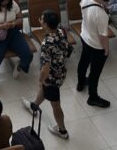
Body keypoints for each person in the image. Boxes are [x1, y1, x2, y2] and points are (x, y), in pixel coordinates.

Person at [23, 9, 71, 139]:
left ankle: (62, 130)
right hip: (61, 72)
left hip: (51, 79)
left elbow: (45, 68)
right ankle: (34, 106)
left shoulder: (46, 44)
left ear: (45, 24)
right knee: (45, 91)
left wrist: (40, 80)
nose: (39, 20)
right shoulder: (61, 31)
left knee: (55, 104)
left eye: (41, 19)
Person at [76, 0, 113, 108]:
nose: (107, 1)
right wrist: (106, 50)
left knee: (83, 62)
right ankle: (93, 97)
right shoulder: (101, 14)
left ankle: (80, 83)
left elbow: (81, 6)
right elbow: (103, 37)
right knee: (95, 73)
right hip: (96, 46)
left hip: (85, 37)